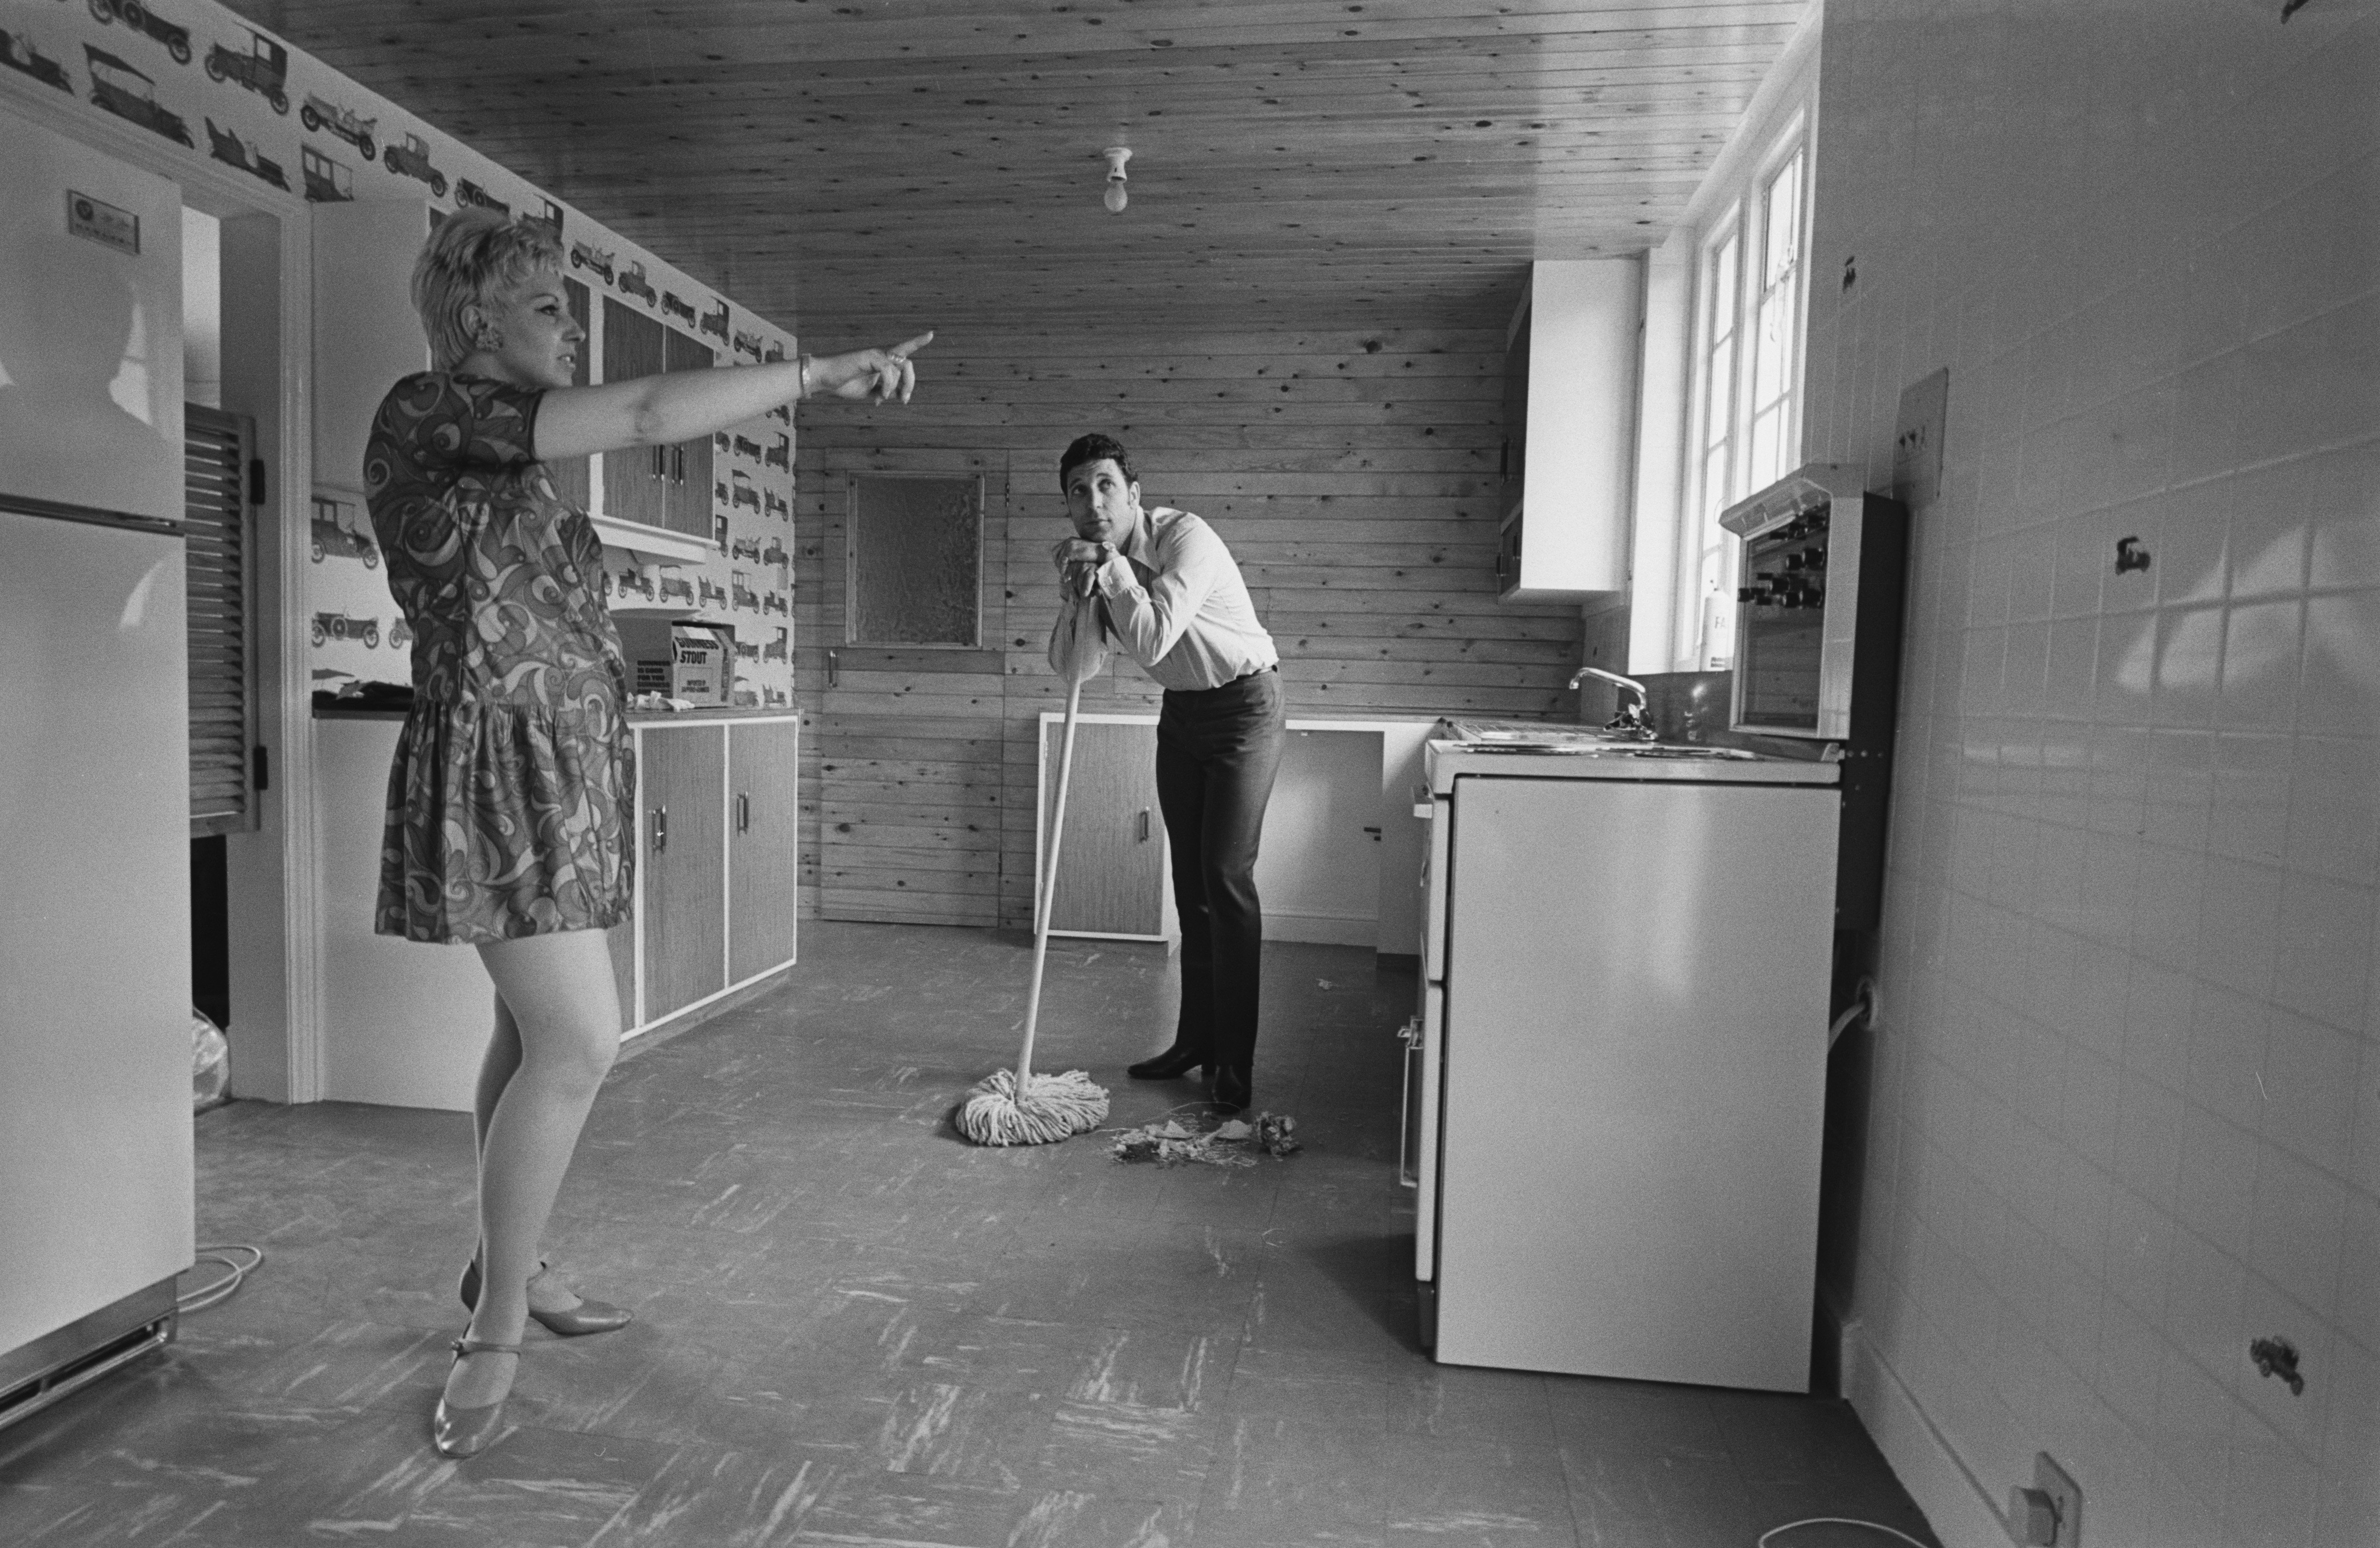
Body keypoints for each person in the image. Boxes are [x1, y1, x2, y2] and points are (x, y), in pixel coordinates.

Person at [367, 207, 929, 1458]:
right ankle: (496, 1325)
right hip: (498, 768)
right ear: (476, 318)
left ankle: (505, 1266)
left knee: (527, 1033)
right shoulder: (424, 412)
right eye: (548, 305)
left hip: (561, 770)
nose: (571, 324)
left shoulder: (516, 464)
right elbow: (641, 415)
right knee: (580, 1040)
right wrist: (816, 374)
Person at [1047, 433, 1285, 1112]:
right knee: (1190, 886)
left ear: (1134, 495)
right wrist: (1076, 597)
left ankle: (1234, 1063)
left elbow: (1152, 638)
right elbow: (1075, 668)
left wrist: (1115, 573)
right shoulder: (1094, 565)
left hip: (1245, 708)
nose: (1092, 503)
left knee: (1226, 876)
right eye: (1077, 491)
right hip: (1183, 715)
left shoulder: (1189, 540)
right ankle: (1196, 1042)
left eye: (1105, 487)